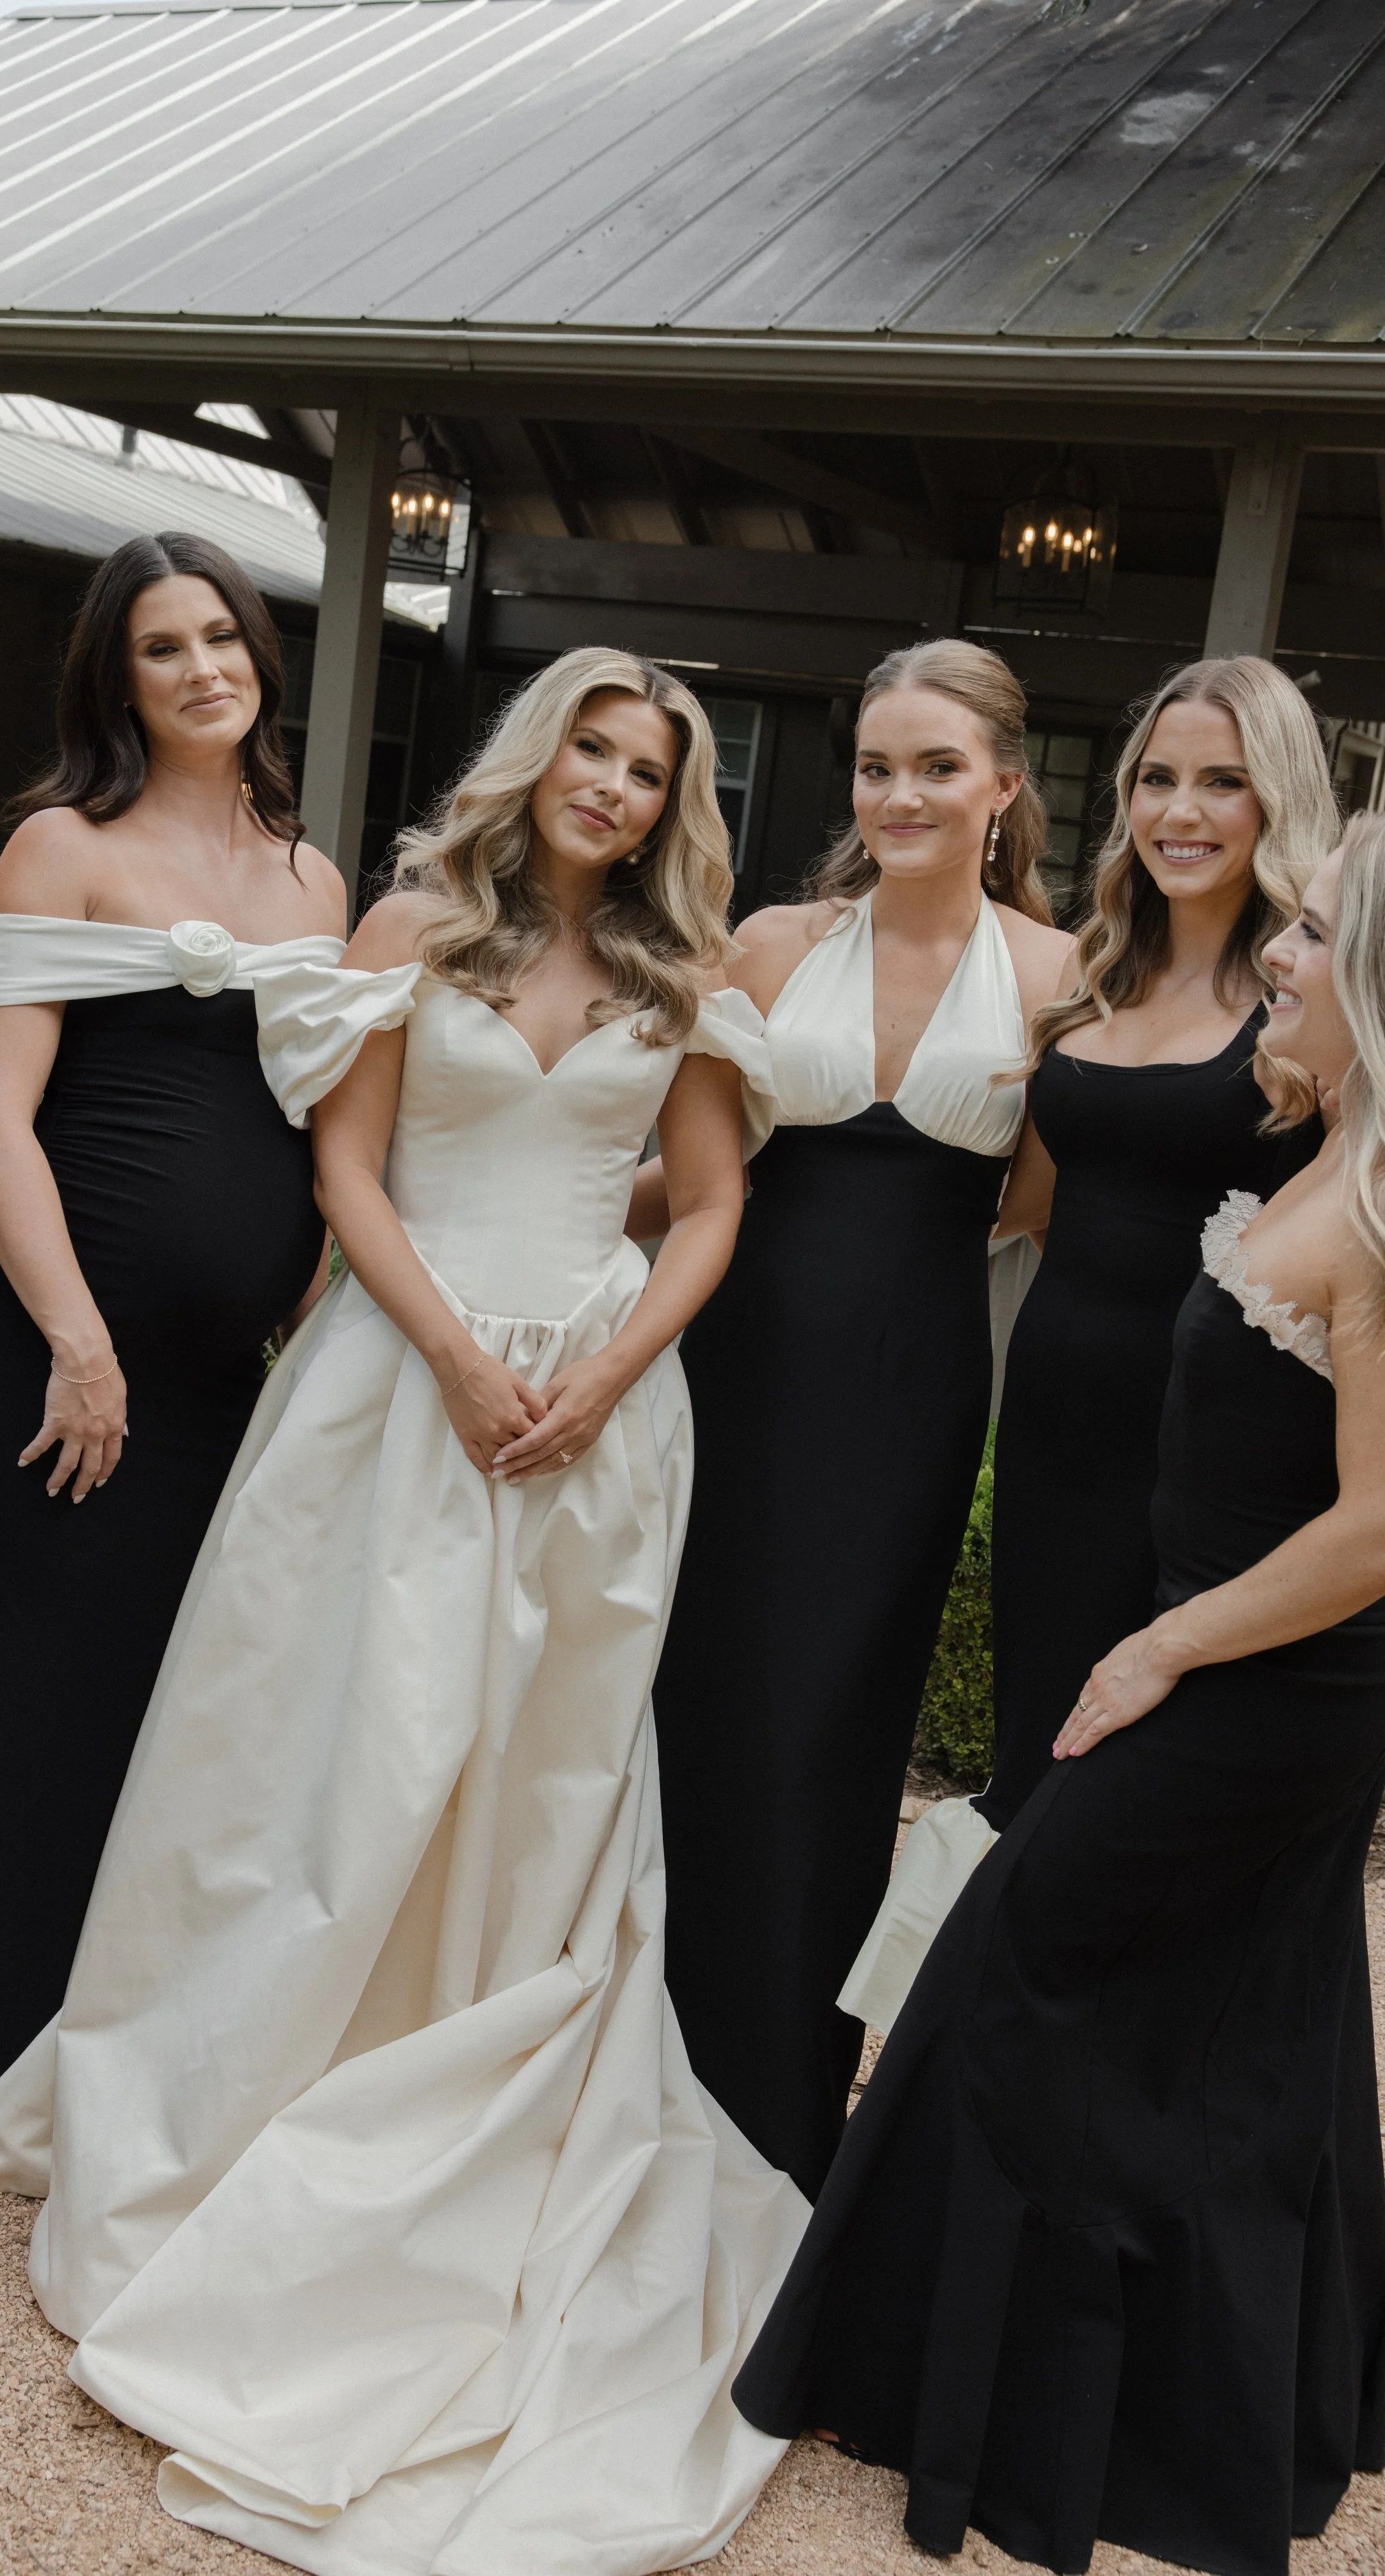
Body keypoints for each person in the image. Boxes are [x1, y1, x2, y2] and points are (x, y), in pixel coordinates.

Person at [0, 647, 806, 2576]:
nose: (612, 785)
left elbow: (709, 1205)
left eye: (649, 768)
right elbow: (346, 1164)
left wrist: (594, 1381)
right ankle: (253, 2101)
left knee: (533, 1771)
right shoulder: (413, 917)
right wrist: (449, 1357)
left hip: (594, 1418)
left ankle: (476, 2095)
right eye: (591, 747)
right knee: (334, 1750)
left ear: (678, 803)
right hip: (395, 1390)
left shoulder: (689, 978)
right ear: (541, 753)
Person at [734, 811, 1385, 2576]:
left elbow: (1375, 1530)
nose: (1276, 948)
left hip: (1276, 1679)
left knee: (1011, 1965)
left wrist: (1161, 1643)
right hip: (1226, 1649)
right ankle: (1159, 2410)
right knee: (1201, 2026)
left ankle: (1002, 2414)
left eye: (1316, 932)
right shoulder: (1316, 1148)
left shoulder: (1377, 1216)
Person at [640, 638, 1071, 2201]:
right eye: (877, 765)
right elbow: (690, 1176)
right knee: (691, 1704)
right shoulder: (765, 942)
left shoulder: (1051, 971)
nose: (899, 792)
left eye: (936, 766)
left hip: (908, 1390)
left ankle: (780, 2117)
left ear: (1002, 786)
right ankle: (645, 2073)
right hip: (732, 1368)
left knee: (834, 1735)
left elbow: (1031, 1199)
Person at [0, 532, 346, 2108]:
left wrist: (306, 1296)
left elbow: (330, 1128)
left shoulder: (314, 876)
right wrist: (79, 1342)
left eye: (223, 638)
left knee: (188, 1706)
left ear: (261, 655)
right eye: (163, 647)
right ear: (116, 672)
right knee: (57, 1694)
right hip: (59, 1352)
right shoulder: (59, 846)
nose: (201, 670)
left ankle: (126, 2058)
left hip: (219, 1375)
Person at [981, 656, 1335, 1831]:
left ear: (1276, 801)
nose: (1180, 814)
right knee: (1038, 1735)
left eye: (1223, 783)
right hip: (1050, 1417)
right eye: (1159, 780)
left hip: (1207, 1439)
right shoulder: (1092, 970)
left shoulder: (1307, 1004)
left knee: (1140, 1777)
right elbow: (1027, 1202)